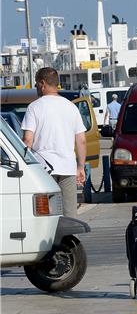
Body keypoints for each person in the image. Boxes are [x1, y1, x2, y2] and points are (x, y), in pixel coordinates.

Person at [22, 67, 87, 218]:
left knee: (46, 214)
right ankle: (71, 240)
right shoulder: (71, 107)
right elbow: (82, 141)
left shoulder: (34, 107)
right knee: (70, 214)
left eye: (36, 84)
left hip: (42, 169)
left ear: (42, 83)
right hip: (68, 167)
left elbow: (27, 140)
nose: (36, 88)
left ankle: (49, 241)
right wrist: (81, 166)